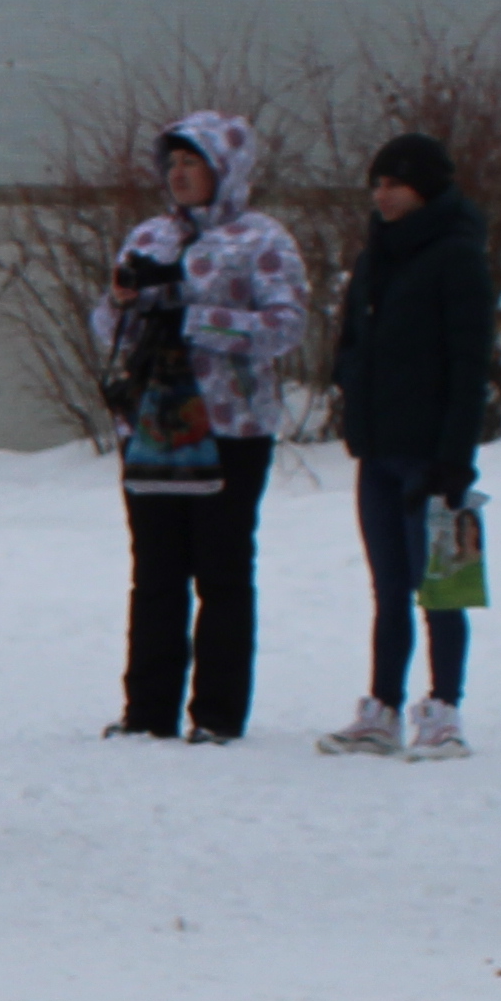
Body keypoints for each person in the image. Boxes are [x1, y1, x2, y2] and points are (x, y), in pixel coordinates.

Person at [92, 110, 303, 745]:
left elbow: (286, 327)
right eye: (173, 164)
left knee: (222, 570)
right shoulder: (149, 237)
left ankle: (216, 713)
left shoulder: (263, 239)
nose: (180, 175)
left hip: (230, 427)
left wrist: (197, 316)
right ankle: (147, 711)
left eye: (194, 163)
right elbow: (106, 328)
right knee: (153, 571)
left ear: (226, 169)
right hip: (154, 425)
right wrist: (126, 305)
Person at [325, 134, 493, 761]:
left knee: (442, 585)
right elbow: (351, 340)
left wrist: (455, 457)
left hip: (433, 455)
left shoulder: (457, 257)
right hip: (378, 449)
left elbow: (469, 363)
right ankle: (383, 708)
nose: (383, 195)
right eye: (377, 184)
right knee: (388, 586)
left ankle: (444, 708)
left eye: (395, 183)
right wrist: (351, 382)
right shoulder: (376, 258)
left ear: (425, 188)